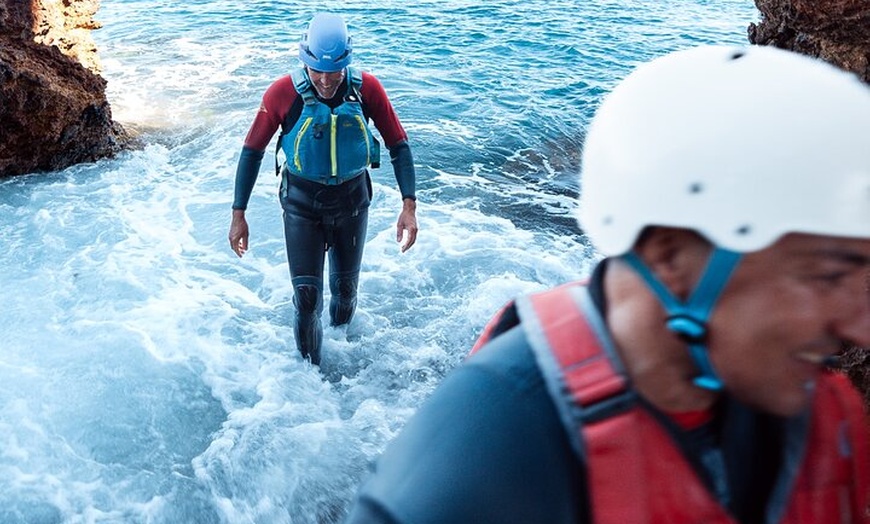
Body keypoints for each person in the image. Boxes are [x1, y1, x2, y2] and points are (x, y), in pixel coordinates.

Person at [344, 45, 870, 523]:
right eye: (824, 274)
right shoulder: (490, 458)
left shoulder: (820, 418)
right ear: (670, 253)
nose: (860, 326)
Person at [229, 13, 418, 366]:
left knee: (345, 291)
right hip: (302, 205)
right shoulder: (282, 93)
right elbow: (251, 152)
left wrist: (409, 206)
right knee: (307, 297)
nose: (326, 81)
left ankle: (342, 349)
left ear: (348, 61)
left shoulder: (367, 89)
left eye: (334, 72)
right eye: (317, 71)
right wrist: (239, 214)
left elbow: (399, 145)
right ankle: (309, 379)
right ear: (304, 60)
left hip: (352, 203)